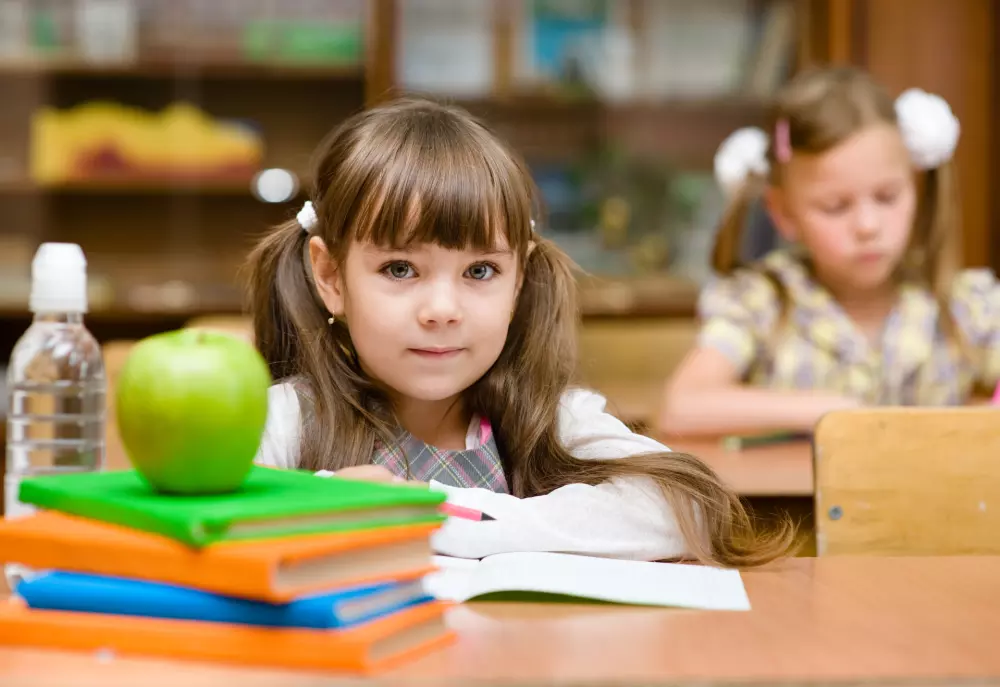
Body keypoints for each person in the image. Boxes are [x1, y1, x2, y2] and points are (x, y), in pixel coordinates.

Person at [245, 98, 792, 566]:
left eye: (480, 271)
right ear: (331, 277)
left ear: (518, 281)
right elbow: (216, 528)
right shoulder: (285, 421)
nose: (442, 310)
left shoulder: (550, 417)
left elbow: (684, 507)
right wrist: (317, 509)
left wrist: (428, 517)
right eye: (400, 269)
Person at [658, 66, 995, 438]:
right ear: (783, 212)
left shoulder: (967, 305)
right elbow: (681, 408)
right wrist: (833, 410)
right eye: (835, 206)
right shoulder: (760, 303)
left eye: (887, 197)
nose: (867, 226)